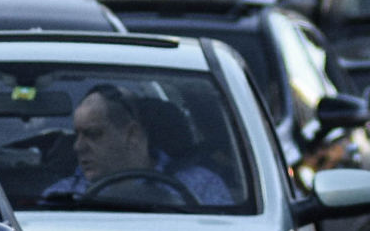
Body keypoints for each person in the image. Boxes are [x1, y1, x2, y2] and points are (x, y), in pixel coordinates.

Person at [42, 84, 231, 206]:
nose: (78, 147)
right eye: (77, 135)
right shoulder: (62, 195)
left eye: (92, 134)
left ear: (132, 134)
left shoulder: (201, 186)